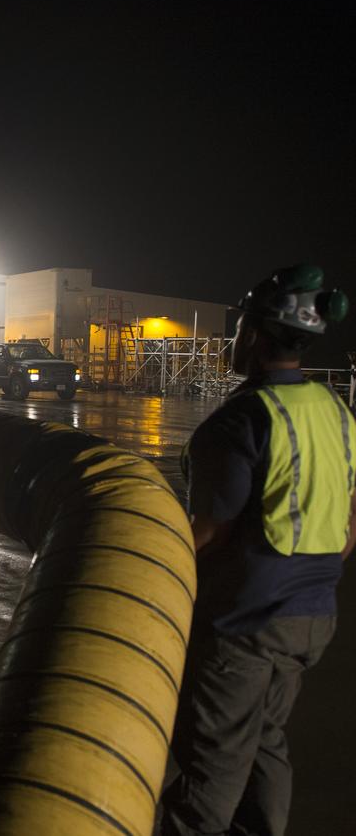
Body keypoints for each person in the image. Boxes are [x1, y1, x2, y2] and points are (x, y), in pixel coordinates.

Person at [160, 265, 353, 836]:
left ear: (257, 335)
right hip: (312, 617)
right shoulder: (335, 411)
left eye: (241, 326)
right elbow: (347, 528)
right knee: (266, 740)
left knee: (213, 760)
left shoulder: (243, 420)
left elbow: (209, 532)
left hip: (245, 621)